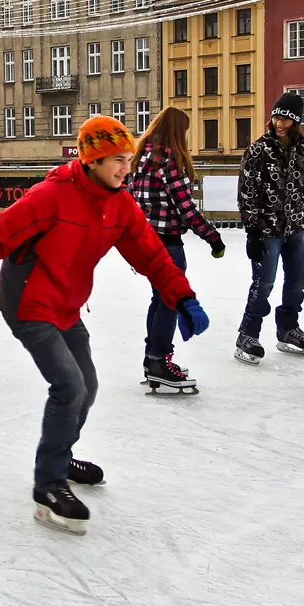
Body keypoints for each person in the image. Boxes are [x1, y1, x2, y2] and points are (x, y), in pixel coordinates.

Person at [0, 116, 209, 535]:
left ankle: (61, 455)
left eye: (128, 159)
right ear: (92, 160)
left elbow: (152, 256)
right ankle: (49, 485)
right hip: (28, 303)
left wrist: (182, 296)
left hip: (67, 305)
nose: (125, 169)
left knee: (88, 386)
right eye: (117, 160)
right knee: (69, 386)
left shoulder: (120, 203)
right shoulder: (51, 195)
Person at [128, 106, 225, 393]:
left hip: (146, 242)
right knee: (168, 302)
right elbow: (186, 209)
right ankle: (158, 360)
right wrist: (213, 238)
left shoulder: (140, 158)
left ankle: (152, 358)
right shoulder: (169, 161)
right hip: (168, 244)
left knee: (158, 300)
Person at [234, 92, 304, 365]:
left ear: (296, 122)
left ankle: (288, 328)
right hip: (266, 231)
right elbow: (247, 192)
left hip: (296, 228)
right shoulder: (258, 150)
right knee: (264, 283)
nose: (279, 123)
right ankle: (247, 334)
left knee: (298, 280)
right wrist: (251, 231)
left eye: (285, 118)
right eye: (276, 116)